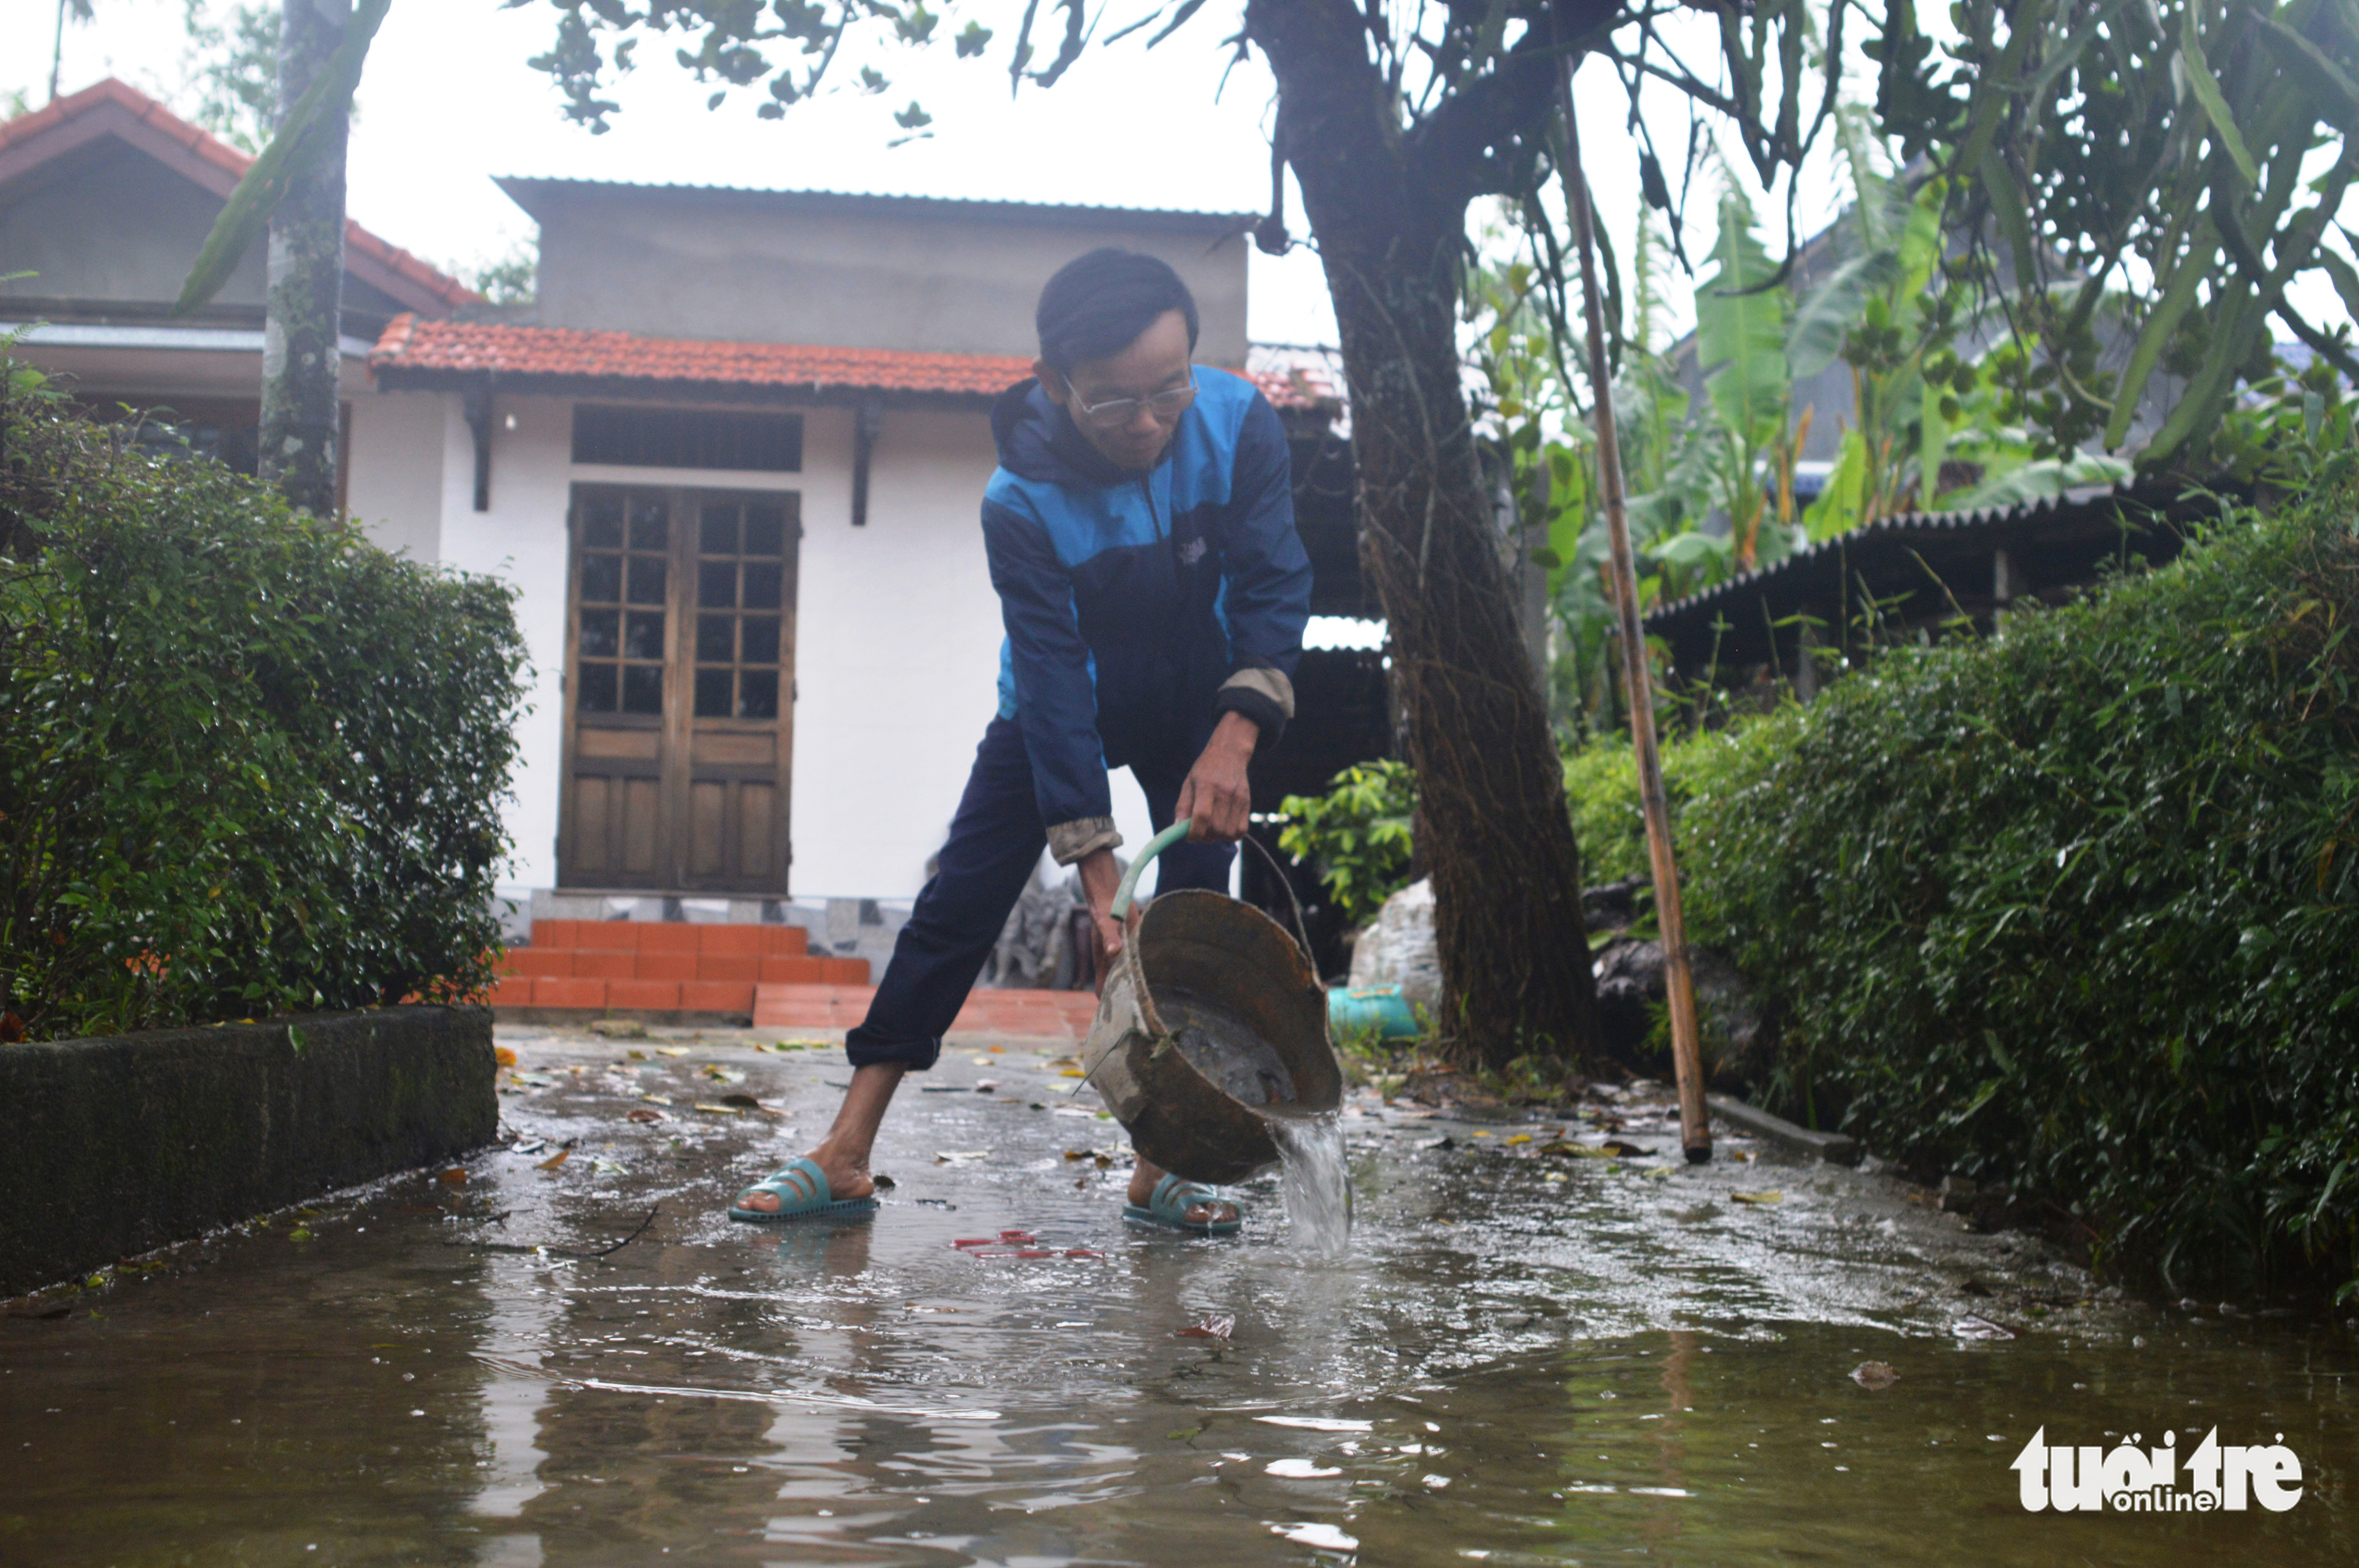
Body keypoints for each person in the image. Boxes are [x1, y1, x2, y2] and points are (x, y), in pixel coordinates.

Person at [729, 248, 1314, 1233]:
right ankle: (845, 1151)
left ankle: (1159, 1166)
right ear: (1055, 384)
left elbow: (1273, 579)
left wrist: (1236, 735)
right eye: (1114, 403)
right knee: (956, 906)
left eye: (1166, 390)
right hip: (1059, 700)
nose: (1146, 423)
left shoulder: (1236, 421)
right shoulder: (1019, 500)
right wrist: (1094, 869)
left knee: (1192, 913)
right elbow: (1051, 676)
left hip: (1199, 699)